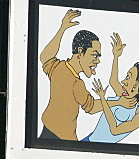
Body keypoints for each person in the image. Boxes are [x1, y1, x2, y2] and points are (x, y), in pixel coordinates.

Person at [39, 9, 104, 140]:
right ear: (80, 52)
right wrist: (118, 102)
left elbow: (45, 57)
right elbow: (92, 107)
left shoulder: (59, 67)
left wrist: (62, 29)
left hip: (48, 135)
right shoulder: (76, 82)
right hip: (61, 140)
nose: (97, 61)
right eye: (94, 55)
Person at [83, 32, 139, 143]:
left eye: (129, 78)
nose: (123, 81)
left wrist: (102, 98)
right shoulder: (123, 95)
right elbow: (113, 81)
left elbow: (115, 130)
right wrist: (116, 56)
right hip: (89, 140)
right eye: (126, 76)